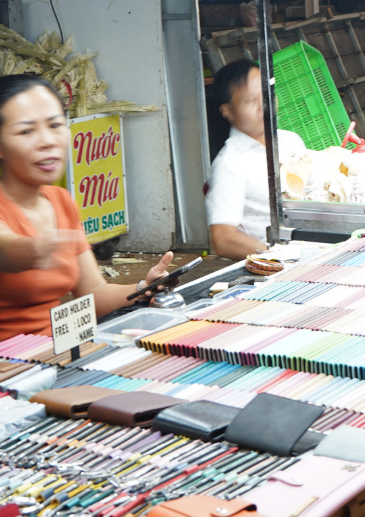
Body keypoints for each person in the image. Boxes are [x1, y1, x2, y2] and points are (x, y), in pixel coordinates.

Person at [0, 75, 173, 334]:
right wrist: (38, 248)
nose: (48, 141)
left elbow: (92, 294)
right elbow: (8, 250)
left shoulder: (60, 201)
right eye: (26, 131)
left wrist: (142, 289)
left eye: (56, 125)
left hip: (59, 353)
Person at [205, 59, 305, 259]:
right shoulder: (230, 163)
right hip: (274, 266)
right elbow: (223, 240)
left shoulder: (291, 141)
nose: (264, 106)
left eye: (267, 95)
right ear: (229, 111)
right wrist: (282, 256)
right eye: (251, 101)